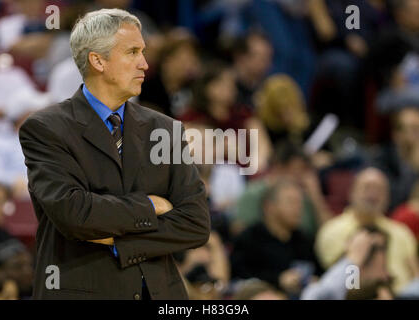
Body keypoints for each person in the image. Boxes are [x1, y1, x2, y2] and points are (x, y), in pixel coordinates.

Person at [18, 9, 210, 300]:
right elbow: (74, 213)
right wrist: (149, 205)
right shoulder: (45, 129)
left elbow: (195, 223)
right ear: (98, 60)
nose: (145, 63)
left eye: (143, 52)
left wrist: (123, 244)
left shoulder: (166, 128)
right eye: (132, 52)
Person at [315, 167, 419, 294]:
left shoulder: (401, 232)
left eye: (379, 189)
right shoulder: (332, 230)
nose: (373, 194)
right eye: (367, 187)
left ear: (388, 197)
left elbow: (415, 275)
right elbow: (343, 284)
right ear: (352, 192)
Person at [230, 178, 321, 298]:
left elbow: (319, 272)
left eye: (300, 203)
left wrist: (313, 281)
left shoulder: (304, 239)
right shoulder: (249, 239)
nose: (298, 208)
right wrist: (278, 280)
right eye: (291, 202)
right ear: (269, 206)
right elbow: (238, 277)